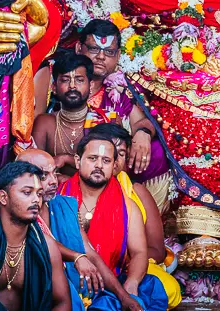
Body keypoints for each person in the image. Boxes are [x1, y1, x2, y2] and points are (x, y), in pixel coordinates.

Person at [14, 149, 141, 311]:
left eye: (55, 173)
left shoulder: (65, 206)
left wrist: (123, 297)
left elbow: (90, 253)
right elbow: (37, 241)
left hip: (81, 292)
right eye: (44, 176)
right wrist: (76, 257)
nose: (53, 181)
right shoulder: (12, 212)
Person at [57, 133, 167, 311]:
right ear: (78, 161)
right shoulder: (58, 198)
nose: (99, 165)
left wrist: (132, 283)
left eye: (106, 161)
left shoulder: (128, 207)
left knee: (153, 289)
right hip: (64, 281)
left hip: (110, 284)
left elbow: (139, 252)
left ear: (114, 166)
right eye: (93, 158)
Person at [88, 123, 180, 308]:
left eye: (121, 153)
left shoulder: (136, 193)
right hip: (89, 266)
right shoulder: (71, 190)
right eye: (107, 151)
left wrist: (128, 265)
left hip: (131, 267)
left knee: (169, 289)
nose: (113, 159)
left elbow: (157, 250)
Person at [0, 161, 72, 311]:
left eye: (39, 194)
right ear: (3, 197)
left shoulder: (48, 246)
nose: (36, 200)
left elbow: (63, 303)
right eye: (27, 192)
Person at [76, 20, 165, 181]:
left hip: (109, 167)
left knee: (157, 150)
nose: (101, 56)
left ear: (118, 56)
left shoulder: (120, 90)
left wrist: (143, 133)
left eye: (109, 52)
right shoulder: (60, 77)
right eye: (94, 49)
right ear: (78, 48)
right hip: (65, 161)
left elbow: (143, 121)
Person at [32, 52, 94, 178]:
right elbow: (35, 169)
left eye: (79, 80)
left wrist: (66, 159)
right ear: (54, 87)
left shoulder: (105, 120)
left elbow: (114, 168)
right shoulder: (44, 123)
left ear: (90, 86)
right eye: (65, 80)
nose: (72, 86)